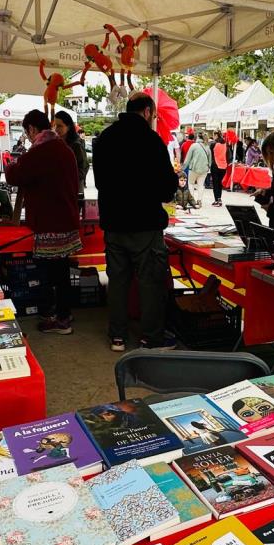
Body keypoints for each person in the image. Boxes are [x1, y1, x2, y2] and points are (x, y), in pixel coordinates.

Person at [93, 93, 178, 351]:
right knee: (150, 283)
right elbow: (167, 189)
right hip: (145, 224)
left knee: (118, 282)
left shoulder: (104, 139)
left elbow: (99, 182)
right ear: (147, 112)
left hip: (114, 223)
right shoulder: (152, 141)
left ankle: (117, 336)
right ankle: (151, 338)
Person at [4, 110, 82, 335]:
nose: (28, 137)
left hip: (50, 222)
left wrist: (11, 164)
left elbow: (14, 175)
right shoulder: (63, 148)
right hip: (66, 218)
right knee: (62, 270)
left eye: (27, 132)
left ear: (31, 128)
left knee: (50, 272)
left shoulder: (41, 150)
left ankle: (58, 318)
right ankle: (64, 313)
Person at [52, 110, 89, 191]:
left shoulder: (76, 145)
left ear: (68, 127)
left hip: (73, 189)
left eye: (59, 126)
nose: (56, 129)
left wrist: (67, 176)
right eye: (55, 126)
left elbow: (83, 168)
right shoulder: (57, 142)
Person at [182, 132, 211, 206]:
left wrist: (183, 168)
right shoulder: (207, 146)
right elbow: (210, 160)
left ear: (197, 137)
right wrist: (208, 167)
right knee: (200, 185)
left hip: (193, 169)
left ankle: (191, 201)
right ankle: (199, 200)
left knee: (191, 184)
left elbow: (187, 159)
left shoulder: (194, 145)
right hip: (204, 169)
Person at [209, 131, 228, 207]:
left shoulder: (213, 144)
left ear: (216, 135)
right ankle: (219, 198)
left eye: (214, 135)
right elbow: (228, 155)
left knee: (215, 183)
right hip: (223, 165)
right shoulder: (225, 144)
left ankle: (216, 200)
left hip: (215, 165)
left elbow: (210, 154)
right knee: (220, 183)